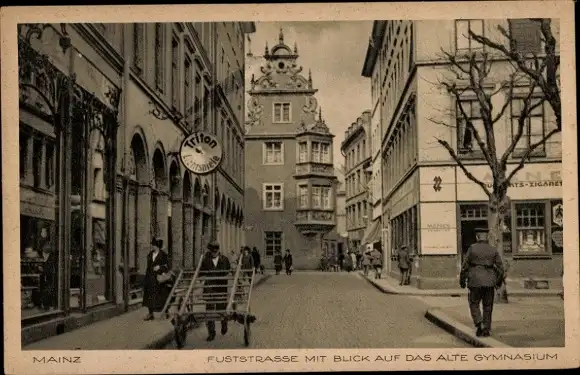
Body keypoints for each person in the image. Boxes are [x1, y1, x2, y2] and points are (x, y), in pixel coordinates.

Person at [459, 228, 504, 338]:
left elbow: (465, 266)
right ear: (487, 237)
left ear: (477, 237)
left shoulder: (472, 248)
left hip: (474, 280)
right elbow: (501, 268)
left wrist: (462, 280)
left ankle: (479, 323)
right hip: (489, 281)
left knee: (474, 303)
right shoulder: (493, 249)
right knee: (488, 306)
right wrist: (497, 281)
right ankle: (486, 329)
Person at [199, 241, 232, 342]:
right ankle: (211, 333)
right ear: (210, 251)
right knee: (209, 311)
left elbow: (228, 271)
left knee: (221, 309)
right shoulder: (205, 260)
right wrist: (202, 277)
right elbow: (201, 272)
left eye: (216, 251)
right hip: (209, 288)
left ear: (218, 250)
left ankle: (224, 323)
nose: (214, 253)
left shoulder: (224, 259)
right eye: (212, 251)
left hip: (221, 288)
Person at [143, 237, 171, 321]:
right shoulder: (150, 254)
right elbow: (148, 267)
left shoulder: (164, 255)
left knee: (162, 296)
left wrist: (160, 267)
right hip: (150, 278)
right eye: (152, 245)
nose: (153, 246)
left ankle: (166, 312)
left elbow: (167, 267)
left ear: (158, 246)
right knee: (150, 296)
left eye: (154, 245)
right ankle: (150, 313)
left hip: (159, 279)